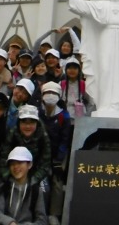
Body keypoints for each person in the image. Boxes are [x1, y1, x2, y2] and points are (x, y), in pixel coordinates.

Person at [39, 81, 71, 225]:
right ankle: (40, 212)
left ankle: (54, 214)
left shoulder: (63, 116)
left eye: (53, 93)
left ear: (59, 96)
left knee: (57, 184)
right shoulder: (37, 113)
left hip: (59, 154)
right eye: (47, 93)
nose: (50, 96)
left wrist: (59, 158)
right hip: (40, 154)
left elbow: (66, 138)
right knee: (41, 183)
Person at [0, 146, 48, 225]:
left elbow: (42, 220)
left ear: (29, 165)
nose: (16, 167)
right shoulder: (4, 187)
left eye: (20, 162)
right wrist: (10, 222)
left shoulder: (36, 191)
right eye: (12, 164)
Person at [0, 105, 52, 187]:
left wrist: (33, 180)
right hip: (14, 172)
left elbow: (45, 164)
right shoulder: (12, 135)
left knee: (44, 189)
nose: (28, 126)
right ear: (19, 123)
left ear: (36, 123)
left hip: (35, 173)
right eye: (24, 122)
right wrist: (9, 178)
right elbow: (3, 160)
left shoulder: (43, 137)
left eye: (31, 122)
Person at [60, 57, 96, 121]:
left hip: (80, 117)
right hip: (65, 117)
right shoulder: (61, 84)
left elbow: (91, 102)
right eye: (69, 68)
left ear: (79, 71)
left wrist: (86, 116)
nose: (72, 70)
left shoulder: (83, 84)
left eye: (75, 68)